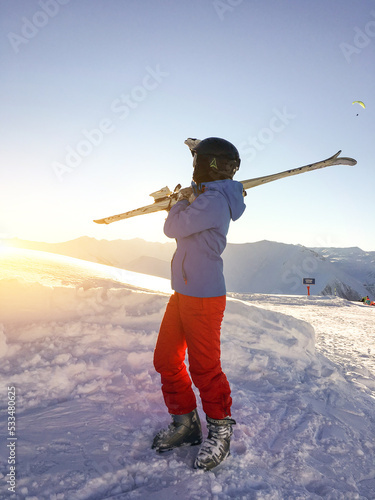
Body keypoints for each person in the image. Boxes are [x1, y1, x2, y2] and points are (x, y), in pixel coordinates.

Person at [152, 137, 246, 470]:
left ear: (208, 166)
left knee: (205, 369)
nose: (194, 168)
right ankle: (186, 424)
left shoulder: (215, 202)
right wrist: (189, 193)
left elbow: (172, 227)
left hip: (204, 297)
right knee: (166, 359)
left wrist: (176, 202)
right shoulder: (208, 196)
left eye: (197, 162)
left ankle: (220, 432)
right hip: (184, 291)